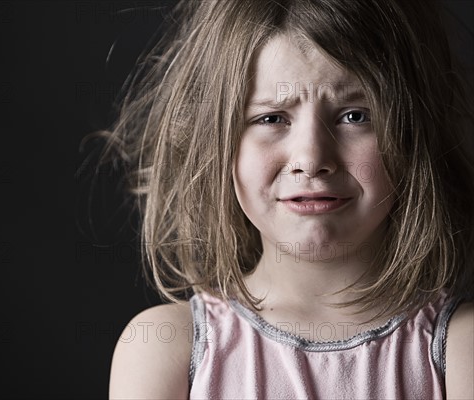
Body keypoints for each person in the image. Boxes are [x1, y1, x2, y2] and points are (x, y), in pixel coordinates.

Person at [105, 0, 474, 398]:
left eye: (355, 116)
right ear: (216, 143)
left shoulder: (459, 349)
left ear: (414, 135)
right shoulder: (164, 348)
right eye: (272, 119)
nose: (312, 160)